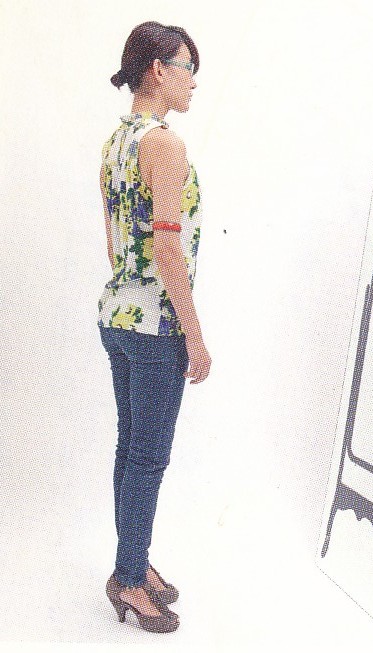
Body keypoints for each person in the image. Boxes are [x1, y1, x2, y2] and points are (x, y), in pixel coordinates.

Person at [97, 21, 211, 633]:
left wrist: (133, 295)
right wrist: (193, 334)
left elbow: (114, 239)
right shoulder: (163, 144)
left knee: (130, 449)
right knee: (147, 458)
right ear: (157, 70)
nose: (194, 81)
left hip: (118, 316)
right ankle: (130, 578)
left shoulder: (116, 142)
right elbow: (167, 245)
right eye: (187, 67)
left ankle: (131, 562)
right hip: (155, 328)